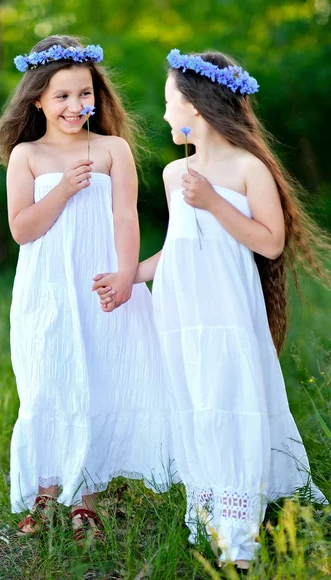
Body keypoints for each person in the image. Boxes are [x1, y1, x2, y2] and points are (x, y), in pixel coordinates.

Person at [94, 49, 328, 569]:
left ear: (195, 107)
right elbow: (177, 251)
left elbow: (269, 243)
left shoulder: (249, 168)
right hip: (181, 315)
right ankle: (209, 516)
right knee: (195, 402)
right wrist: (127, 275)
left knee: (230, 399)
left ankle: (238, 540)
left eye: (168, 102)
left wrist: (216, 203)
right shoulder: (177, 175)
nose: (165, 113)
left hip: (225, 313)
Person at [0, 35, 174, 538]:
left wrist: (125, 273)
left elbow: (124, 216)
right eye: (63, 97)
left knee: (100, 376)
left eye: (84, 94)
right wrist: (66, 189)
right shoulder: (27, 155)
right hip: (47, 288)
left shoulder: (112, 149)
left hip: (100, 283)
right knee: (46, 378)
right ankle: (46, 495)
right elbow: (22, 228)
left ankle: (87, 498)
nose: (76, 106)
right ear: (38, 101)